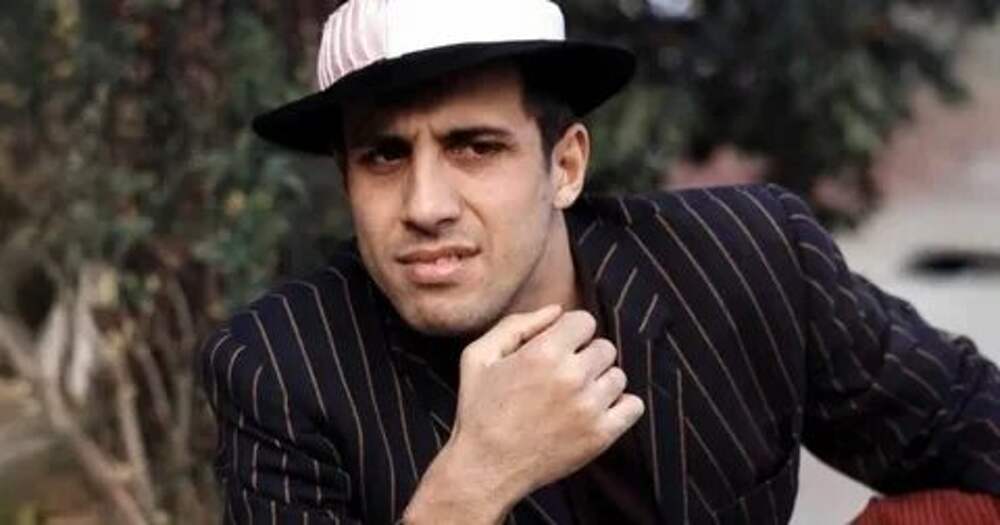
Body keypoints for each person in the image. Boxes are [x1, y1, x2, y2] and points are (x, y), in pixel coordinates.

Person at [200, 0, 1000, 523]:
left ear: (565, 166)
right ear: (347, 180)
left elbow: (974, 429)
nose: (426, 204)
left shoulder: (746, 258)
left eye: (475, 147)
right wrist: (473, 481)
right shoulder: (280, 369)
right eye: (383, 156)